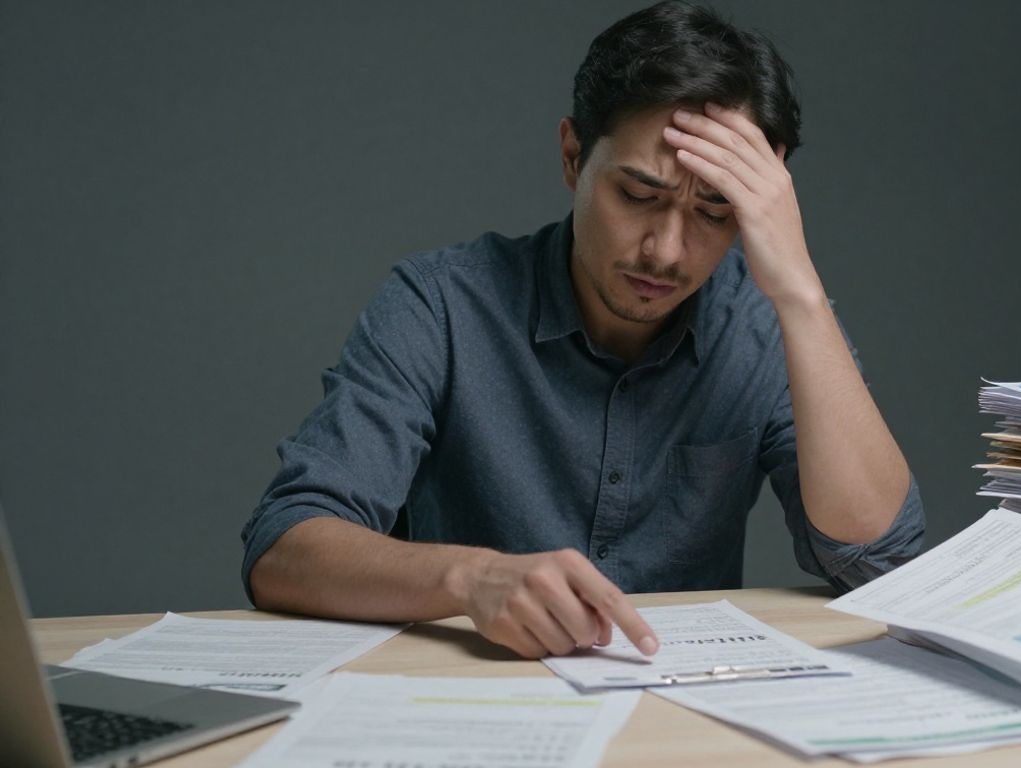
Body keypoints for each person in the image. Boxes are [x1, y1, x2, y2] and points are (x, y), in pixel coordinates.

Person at [241, 0, 924, 660]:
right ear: (572, 157)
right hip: (472, 695)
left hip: (683, 712)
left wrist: (801, 294)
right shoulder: (441, 305)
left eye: (716, 213)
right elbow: (284, 548)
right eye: (637, 195)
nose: (666, 250)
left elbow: (882, 562)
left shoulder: (767, 326)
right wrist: (471, 580)